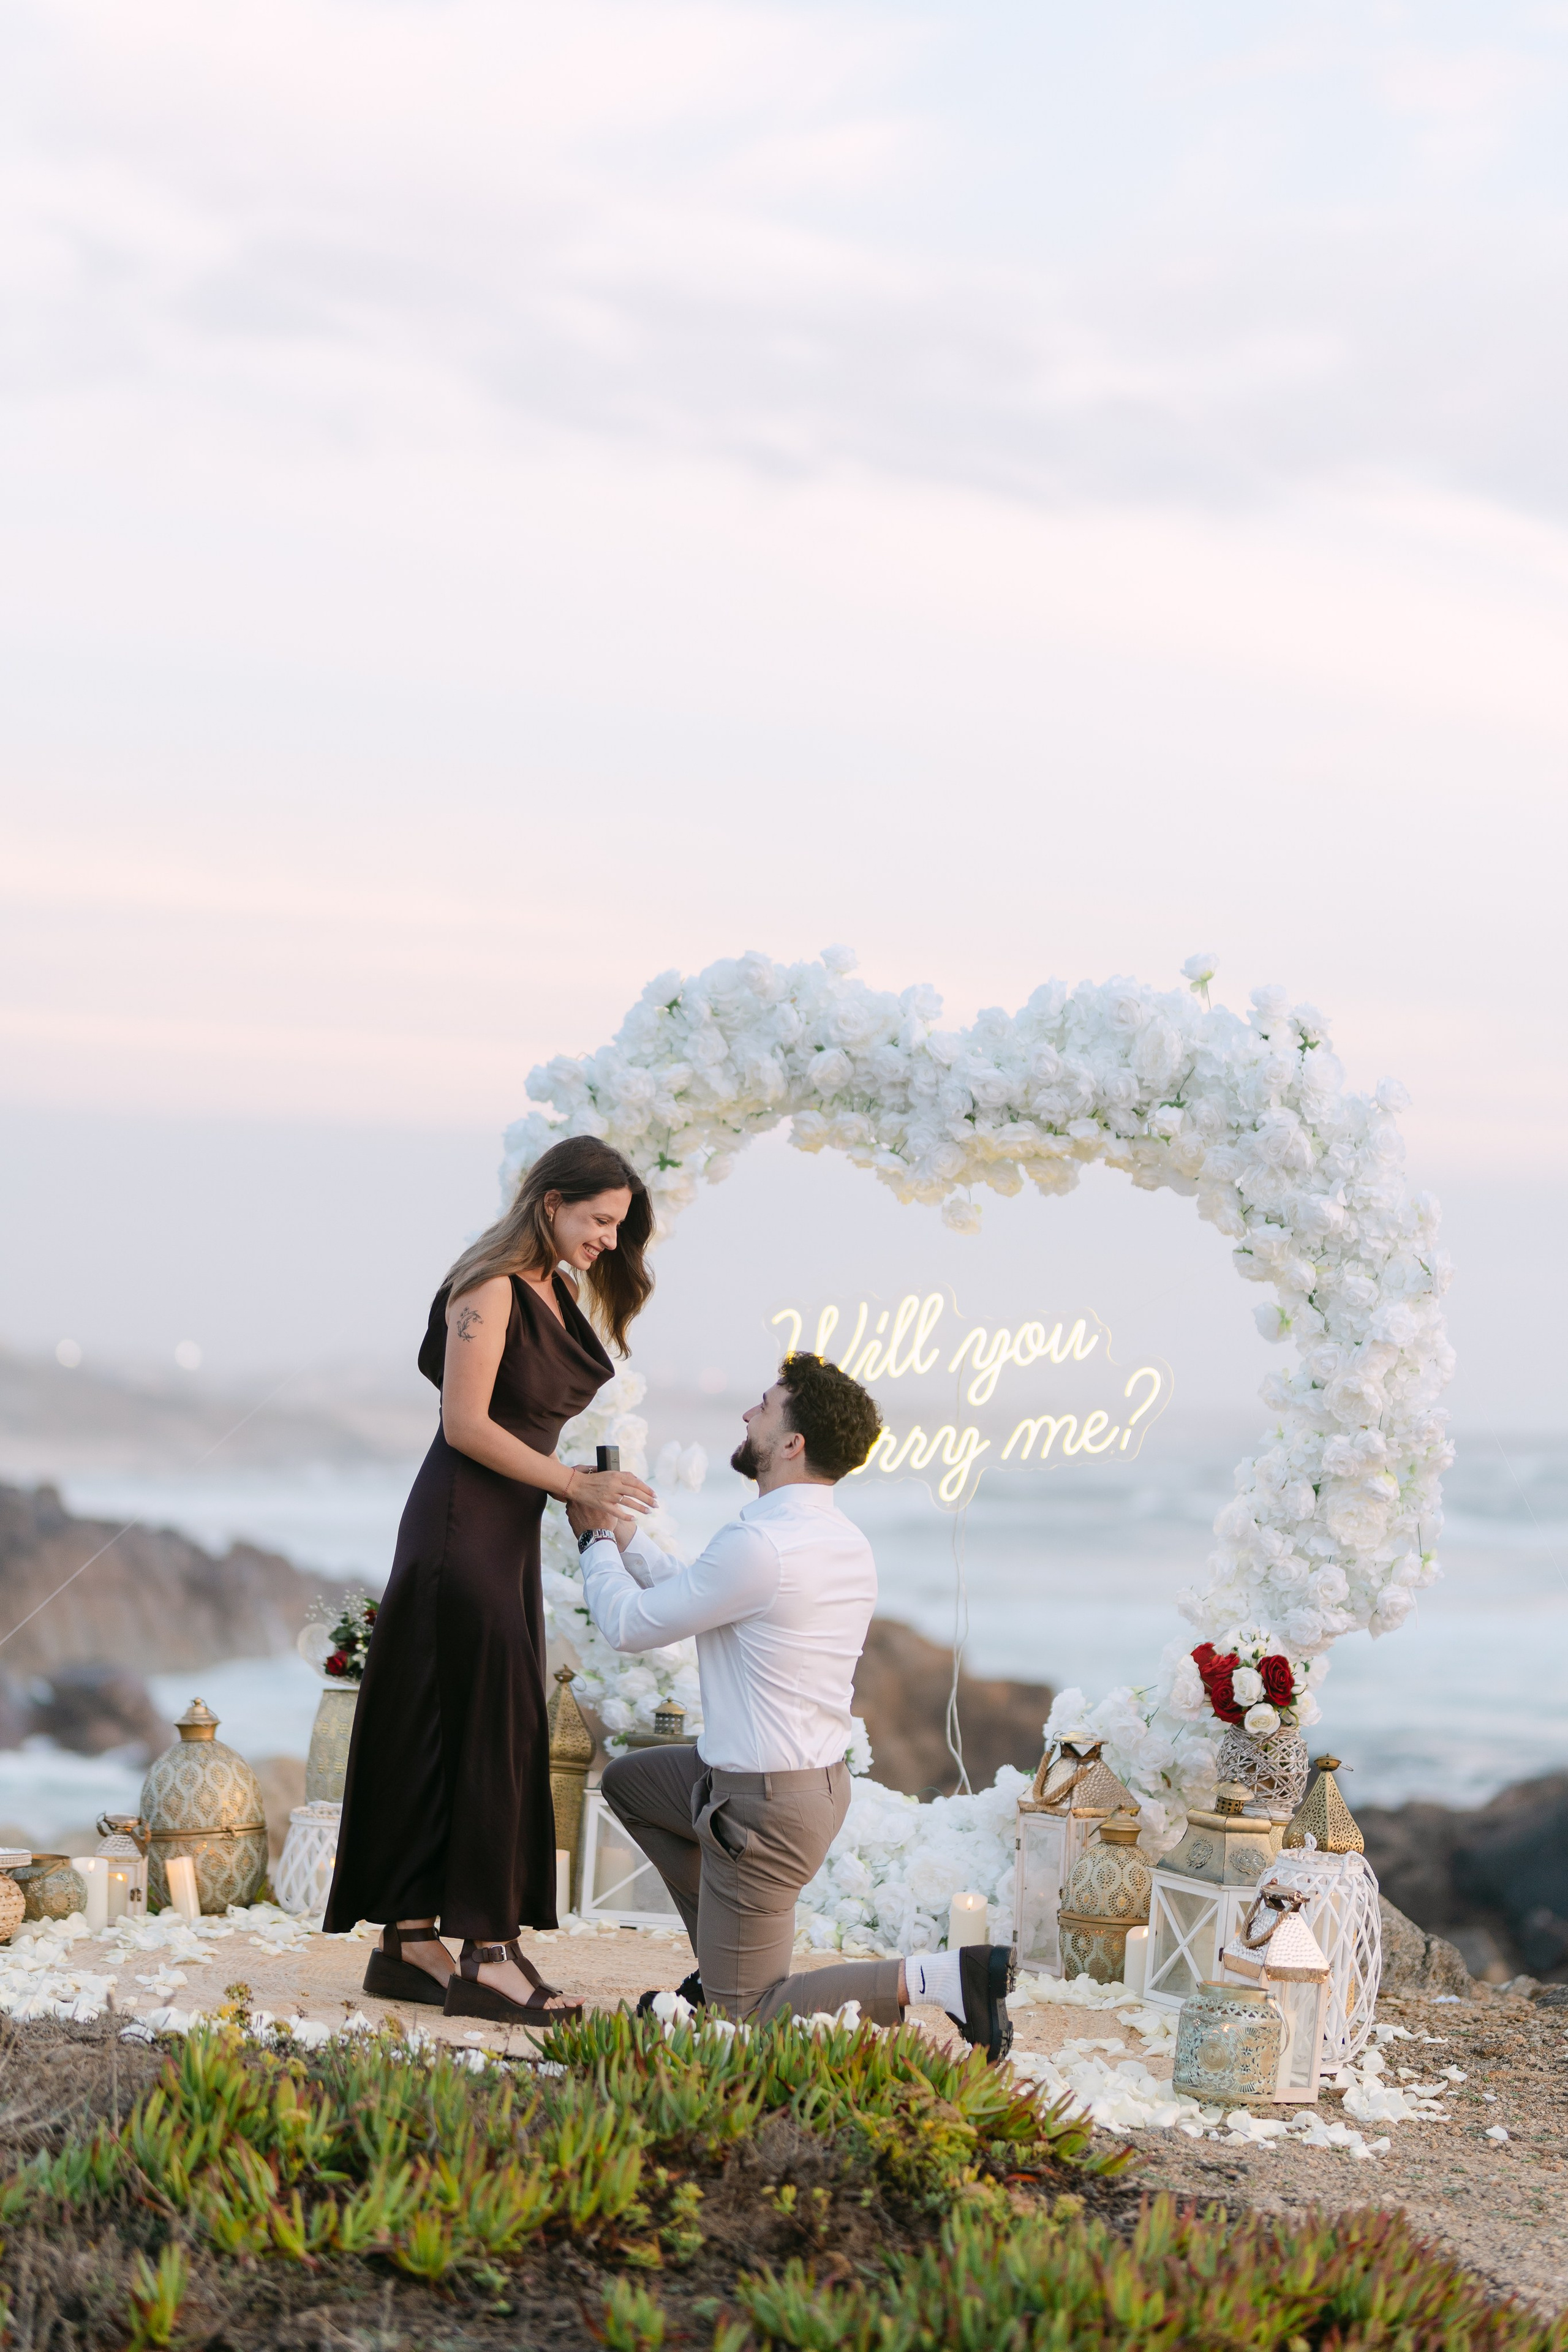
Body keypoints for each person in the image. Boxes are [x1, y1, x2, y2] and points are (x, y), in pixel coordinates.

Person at [568, 1352, 1014, 2060]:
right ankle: (720, 1964)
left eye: (765, 1406)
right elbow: (698, 1592)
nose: (749, 1414)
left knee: (747, 2015)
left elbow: (629, 1626)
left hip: (763, 1811)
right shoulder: (837, 1539)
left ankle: (944, 1978)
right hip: (802, 1787)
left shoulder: (760, 1543)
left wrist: (593, 1537)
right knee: (631, 1783)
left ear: (791, 1442)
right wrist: (624, 1533)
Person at [323, 1134, 658, 2026]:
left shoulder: (557, 1286)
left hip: (502, 1533)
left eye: (618, 1227)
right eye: (599, 1220)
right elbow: (465, 1424)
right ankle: (489, 1955)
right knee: (489, 1734)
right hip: (459, 1527)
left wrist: (572, 1493)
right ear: (551, 1202)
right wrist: (575, 1484)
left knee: (451, 1727)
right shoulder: (491, 1286)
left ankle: (410, 1942)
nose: (609, 1241)